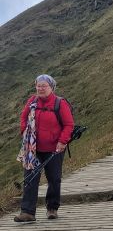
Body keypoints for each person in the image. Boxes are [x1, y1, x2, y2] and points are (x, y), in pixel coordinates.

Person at [14, 74, 74, 222]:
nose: (40, 88)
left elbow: (69, 125)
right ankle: (27, 212)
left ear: (51, 87)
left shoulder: (60, 103)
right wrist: (24, 132)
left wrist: (62, 142)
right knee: (30, 178)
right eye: (38, 86)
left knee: (54, 179)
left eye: (44, 86)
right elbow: (23, 117)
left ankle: (52, 208)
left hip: (54, 148)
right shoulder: (32, 101)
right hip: (33, 149)